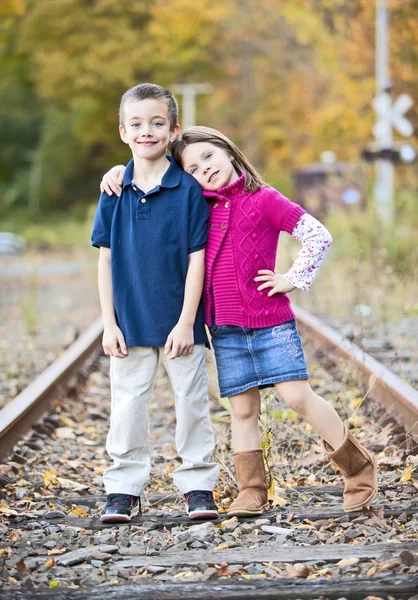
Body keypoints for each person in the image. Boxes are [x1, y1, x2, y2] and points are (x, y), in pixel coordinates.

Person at [100, 126, 378, 517]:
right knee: (242, 410)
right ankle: (251, 489)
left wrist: (292, 279)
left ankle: (357, 466)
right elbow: (151, 180)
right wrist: (117, 170)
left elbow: (317, 235)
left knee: (296, 397)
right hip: (225, 329)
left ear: (229, 152)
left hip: (272, 323)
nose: (205, 169)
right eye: (193, 168)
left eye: (209, 157)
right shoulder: (195, 207)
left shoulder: (265, 199)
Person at [91, 86, 219, 523]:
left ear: (173, 130)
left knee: (191, 401)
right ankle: (123, 488)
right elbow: (105, 260)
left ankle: (198, 484)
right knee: (126, 405)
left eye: (158, 123)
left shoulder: (187, 190)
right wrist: (109, 323)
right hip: (128, 321)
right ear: (123, 131)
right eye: (138, 124)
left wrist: (187, 322)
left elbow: (196, 258)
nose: (148, 131)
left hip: (179, 323)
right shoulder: (113, 189)